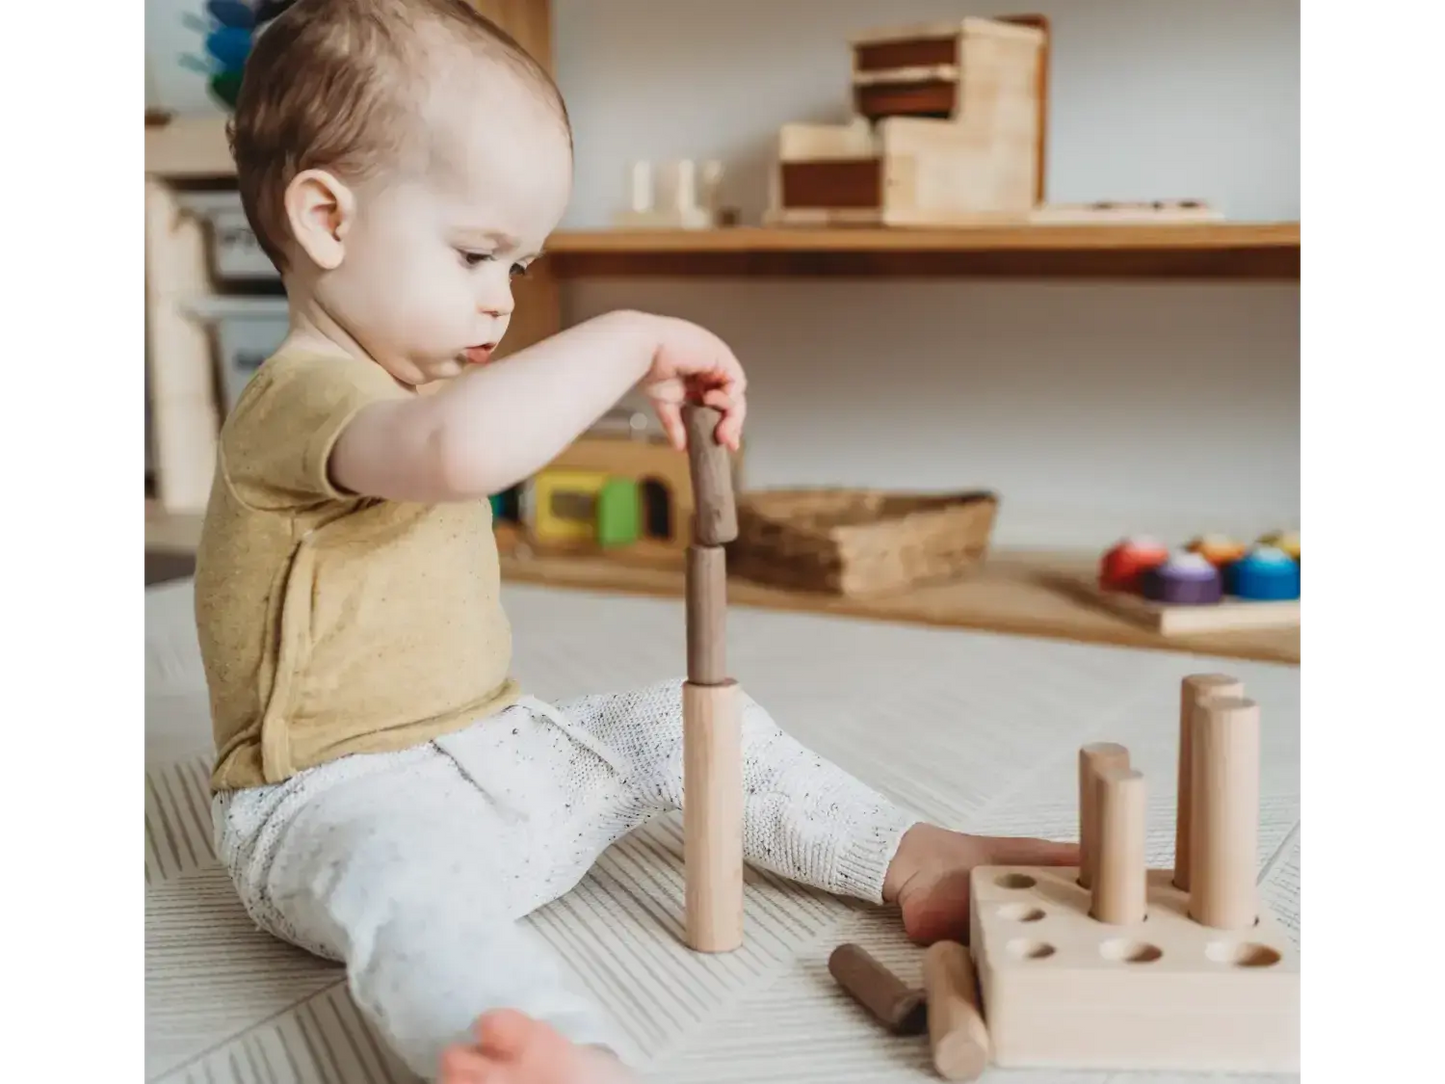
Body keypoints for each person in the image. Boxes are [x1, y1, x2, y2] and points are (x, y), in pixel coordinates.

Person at [193, 1, 1079, 1081]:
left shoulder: (411, 385)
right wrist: (627, 334)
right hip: (330, 804)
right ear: (326, 220)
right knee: (409, 890)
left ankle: (905, 856)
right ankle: (559, 1052)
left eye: (519, 268)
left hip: (494, 752)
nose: (499, 306)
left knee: (677, 724)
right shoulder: (300, 396)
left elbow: (483, 429)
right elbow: (459, 450)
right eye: (476, 254)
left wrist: (624, 385)